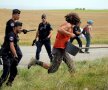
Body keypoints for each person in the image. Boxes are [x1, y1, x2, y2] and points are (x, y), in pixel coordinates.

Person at [0, 21, 23, 86]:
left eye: (21, 28)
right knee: (6, 73)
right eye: (19, 28)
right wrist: (15, 55)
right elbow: (11, 45)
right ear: (15, 28)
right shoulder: (11, 35)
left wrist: (22, 30)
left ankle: (9, 83)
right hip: (6, 54)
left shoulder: (15, 34)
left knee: (14, 71)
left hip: (11, 55)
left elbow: (20, 32)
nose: (20, 29)